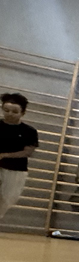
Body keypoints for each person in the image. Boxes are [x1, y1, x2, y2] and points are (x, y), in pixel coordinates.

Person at [0, 93, 38, 221]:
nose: (10, 114)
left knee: (7, 199)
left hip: (15, 170)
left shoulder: (29, 131)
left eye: (14, 111)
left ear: (23, 112)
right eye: (6, 110)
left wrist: (5, 155)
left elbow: (27, 152)